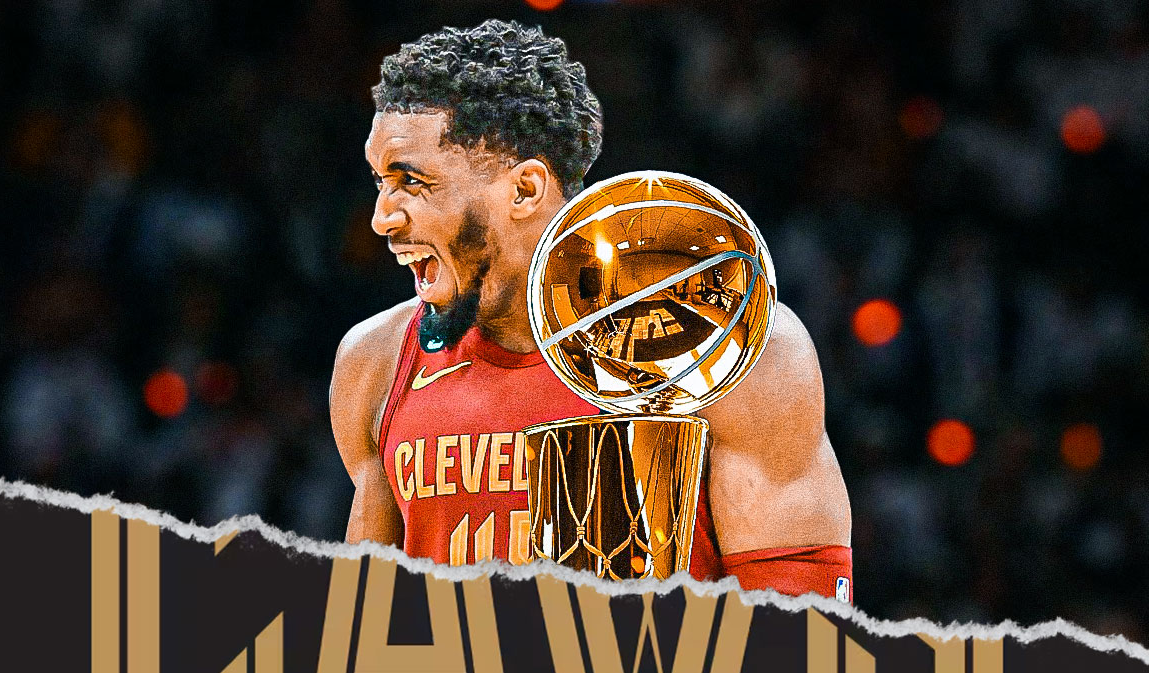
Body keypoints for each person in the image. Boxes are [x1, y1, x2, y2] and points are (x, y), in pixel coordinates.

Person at [329, 19, 853, 600]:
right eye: (381, 181)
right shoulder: (375, 362)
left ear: (525, 189)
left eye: (413, 182)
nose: (382, 217)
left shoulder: (726, 346)